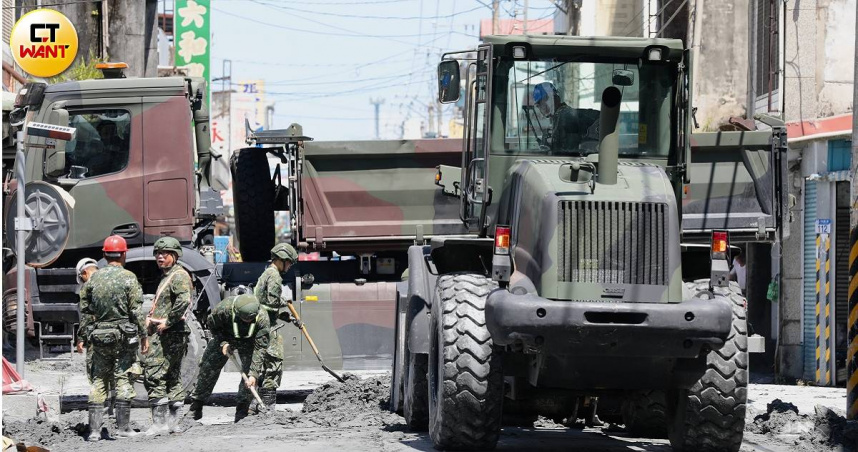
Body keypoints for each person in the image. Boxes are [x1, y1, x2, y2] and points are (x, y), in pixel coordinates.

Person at [80, 235, 148, 440]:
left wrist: (83, 336)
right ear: (124, 254)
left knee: (98, 380)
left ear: (104, 255)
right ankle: (123, 428)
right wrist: (144, 335)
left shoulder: (93, 280)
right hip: (122, 339)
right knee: (122, 379)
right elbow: (136, 311)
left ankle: (93, 431)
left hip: (99, 337)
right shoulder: (129, 278)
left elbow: (85, 312)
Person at [186, 294, 270, 422]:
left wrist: (253, 374)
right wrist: (223, 343)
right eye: (244, 319)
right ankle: (196, 407)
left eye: (250, 319)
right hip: (225, 336)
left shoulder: (263, 319)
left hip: (249, 341)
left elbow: (260, 348)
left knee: (249, 375)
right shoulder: (223, 309)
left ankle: (242, 410)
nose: (247, 321)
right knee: (208, 366)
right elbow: (213, 326)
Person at [141, 237, 192, 434]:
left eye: (164, 253)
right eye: (157, 253)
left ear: (175, 255)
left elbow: (183, 301)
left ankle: (160, 424)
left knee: (154, 374)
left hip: (168, 334)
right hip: (171, 333)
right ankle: (173, 423)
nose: (159, 257)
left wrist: (167, 322)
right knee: (172, 376)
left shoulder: (178, 276)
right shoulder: (169, 275)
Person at [251, 243, 298, 411]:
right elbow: (271, 303)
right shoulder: (274, 275)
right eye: (289, 262)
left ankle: (253, 404)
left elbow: (263, 303)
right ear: (281, 260)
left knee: (260, 364)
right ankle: (267, 405)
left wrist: (281, 315)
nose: (290, 266)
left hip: (261, 323)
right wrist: (284, 303)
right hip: (266, 327)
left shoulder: (266, 273)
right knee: (274, 362)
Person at [532, 81, 599, 154]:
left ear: (555, 97)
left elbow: (567, 155)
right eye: (539, 105)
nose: (543, 106)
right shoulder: (561, 116)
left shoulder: (565, 117)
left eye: (545, 99)